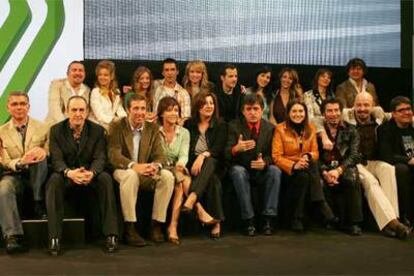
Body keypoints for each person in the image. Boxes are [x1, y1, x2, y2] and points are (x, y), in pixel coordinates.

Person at [46, 96, 119, 255]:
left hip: (89, 175)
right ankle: (54, 238)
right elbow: (56, 159)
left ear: (87, 112)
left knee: (106, 179)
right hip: (67, 175)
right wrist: (69, 173)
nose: (78, 114)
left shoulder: (98, 130)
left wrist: (91, 173)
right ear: (67, 111)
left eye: (81, 110)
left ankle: (111, 235)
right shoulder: (56, 130)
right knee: (53, 181)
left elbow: (100, 157)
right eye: (74, 110)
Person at [108, 94, 174, 246]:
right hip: (123, 170)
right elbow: (114, 155)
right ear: (127, 110)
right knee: (131, 175)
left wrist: (154, 166)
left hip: (145, 171)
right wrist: (134, 166)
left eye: (143, 108)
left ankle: (156, 225)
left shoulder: (153, 128)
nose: (140, 112)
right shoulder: (117, 126)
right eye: (136, 108)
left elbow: (160, 156)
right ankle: (130, 228)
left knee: (167, 176)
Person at [342, 93, 410, 239]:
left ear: (372, 106)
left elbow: (401, 115)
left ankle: (393, 220)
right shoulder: (345, 117)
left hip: (374, 161)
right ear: (353, 105)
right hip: (356, 163)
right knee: (371, 183)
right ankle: (392, 224)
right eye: (359, 105)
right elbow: (320, 119)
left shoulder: (379, 118)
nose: (362, 109)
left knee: (389, 169)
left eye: (366, 105)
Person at [272, 100, 336, 232]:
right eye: (294, 111)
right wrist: (294, 164)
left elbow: (315, 152)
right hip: (287, 170)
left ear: (305, 113)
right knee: (305, 173)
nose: (298, 114)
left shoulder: (311, 128)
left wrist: (307, 156)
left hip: (305, 168)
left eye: (301, 111)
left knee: (305, 174)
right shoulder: (280, 129)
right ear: (288, 113)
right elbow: (276, 156)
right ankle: (321, 203)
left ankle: (297, 218)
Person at [226, 93, 282, 236]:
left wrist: (265, 162)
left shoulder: (270, 128)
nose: (252, 113)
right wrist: (235, 149)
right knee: (238, 172)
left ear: (262, 110)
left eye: (256, 109)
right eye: (249, 109)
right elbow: (225, 154)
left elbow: (274, 155)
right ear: (243, 111)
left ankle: (268, 219)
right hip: (241, 168)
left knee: (275, 171)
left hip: (262, 170)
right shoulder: (233, 126)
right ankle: (248, 220)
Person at [0, 91, 49, 254]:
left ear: (28, 106)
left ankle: (37, 202)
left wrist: (41, 152)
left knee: (40, 156)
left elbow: (51, 150)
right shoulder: (1, 132)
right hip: (14, 175)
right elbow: (4, 160)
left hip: (39, 175)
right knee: (4, 188)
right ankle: (12, 236)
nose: (19, 107)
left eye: (22, 104)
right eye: (15, 104)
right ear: (8, 108)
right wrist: (21, 162)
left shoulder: (43, 127)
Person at [182, 92, 226, 239]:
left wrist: (203, 155)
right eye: (205, 103)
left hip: (215, 163)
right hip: (193, 165)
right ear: (198, 107)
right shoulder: (189, 124)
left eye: (211, 103)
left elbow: (218, 149)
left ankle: (192, 198)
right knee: (213, 181)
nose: (209, 106)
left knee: (211, 163)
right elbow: (186, 149)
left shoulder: (220, 124)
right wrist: (196, 159)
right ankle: (216, 222)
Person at [318, 98, 363, 235]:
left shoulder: (351, 129)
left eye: (336, 110)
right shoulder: (318, 132)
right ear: (324, 114)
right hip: (324, 168)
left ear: (341, 112)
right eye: (329, 111)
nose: (333, 114)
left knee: (350, 178)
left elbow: (354, 155)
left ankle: (354, 223)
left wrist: (338, 170)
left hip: (344, 166)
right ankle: (330, 220)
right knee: (319, 182)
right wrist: (325, 172)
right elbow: (315, 156)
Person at [156, 97, 191, 245]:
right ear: (161, 113)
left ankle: (173, 226)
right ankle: (198, 208)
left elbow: (183, 155)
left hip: (177, 169)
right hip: (160, 168)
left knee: (179, 183)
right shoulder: (154, 131)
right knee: (183, 179)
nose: (173, 113)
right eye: (169, 110)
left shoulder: (184, 132)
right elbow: (156, 155)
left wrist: (181, 164)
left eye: (176, 110)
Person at [378, 96, 414, 227]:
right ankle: (405, 216)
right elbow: (386, 155)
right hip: (397, 166)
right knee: (402, 169)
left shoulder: (412, 128)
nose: (406, 112)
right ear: (393, 114)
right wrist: (409, 160)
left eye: (409, 109)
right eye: (401, 110)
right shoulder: (385, 129)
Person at [44, 60, 90, 126]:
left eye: (80, 70)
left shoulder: (87, 90)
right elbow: (54, 108)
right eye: (74, 70)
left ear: (84, 74)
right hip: (56, 126)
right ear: (67, 74)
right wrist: (66, 126)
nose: (77, 73)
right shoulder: (57, 85)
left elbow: (86, 112)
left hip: (79, 129)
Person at [89, 60, 126, 131]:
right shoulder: (95, 92)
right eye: (100, 75)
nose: (102, 77)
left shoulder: (116, 92)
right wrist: (114, 120)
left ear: (112, 76)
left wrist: (126, 120)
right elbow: (100, 116)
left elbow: (120, 110)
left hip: (112, 125)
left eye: (105, 75)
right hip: (98, 127)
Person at [153, 58, 191, 123]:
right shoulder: (155, 85)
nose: (169, 73)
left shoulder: (183, 93)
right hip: (155, 127)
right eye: (166, 70)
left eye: (172, 70)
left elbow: (185, 118)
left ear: (177, 72)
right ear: (163, 73)